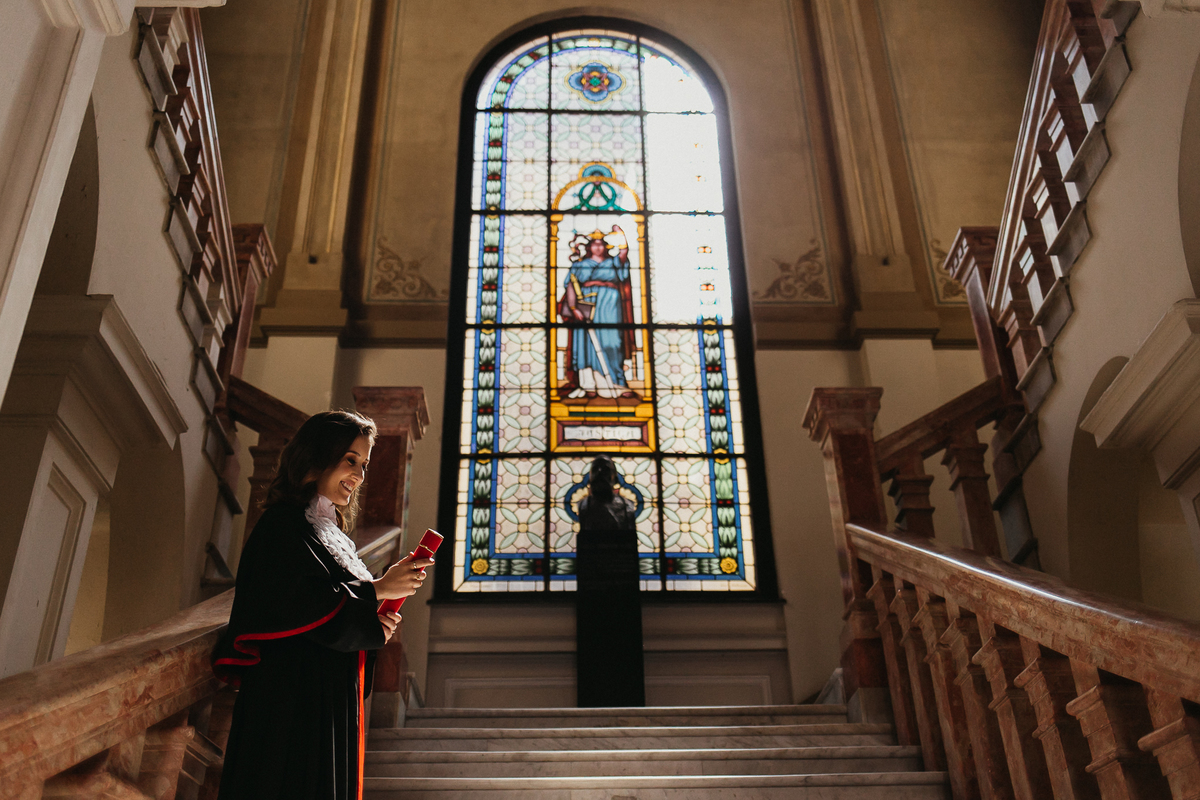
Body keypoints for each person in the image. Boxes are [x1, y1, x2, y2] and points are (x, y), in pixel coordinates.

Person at [212, 410, 433, 800]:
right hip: (290, 704)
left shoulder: (334, 536)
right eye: (351, 460)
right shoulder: (282, 526)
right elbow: (290, 604)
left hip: (327, 700)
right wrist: (376, 590)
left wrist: (374, 618)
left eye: (364, 465)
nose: (360, 475)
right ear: (316, 457)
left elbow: (337, 604)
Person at [558, 226, 637, 399]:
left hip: (610, 305)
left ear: (606, 247)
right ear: (589, 247)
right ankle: (589, 385)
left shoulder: (612, 263)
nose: (598, 248)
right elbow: (571, 285)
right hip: (585, 306)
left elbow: (624, 253)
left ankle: (617, 384)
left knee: (613, 343)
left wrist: (621, 235)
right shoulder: (580, 265)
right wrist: (573, 308)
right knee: (585, 344)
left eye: (601, 244)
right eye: (595, 244)